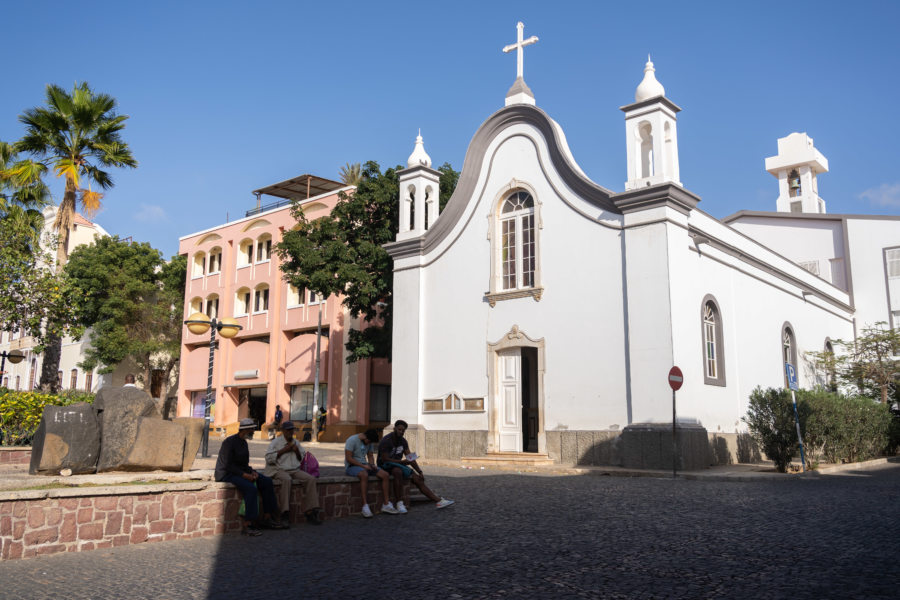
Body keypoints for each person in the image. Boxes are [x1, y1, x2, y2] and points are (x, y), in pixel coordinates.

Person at [215, 418, 286, 535]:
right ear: (246, 430)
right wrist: (245, 475)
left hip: (241, 472)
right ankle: (248, 524)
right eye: (252, 429)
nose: (253, 431)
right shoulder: (229, 442)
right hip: (227, 474)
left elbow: (244, 464)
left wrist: (252, 472)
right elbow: (228, 465)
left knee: (267, 482)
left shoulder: (243, 442)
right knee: (251, 489)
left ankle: (267, 517)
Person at [378, 420, 455, 512]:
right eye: (399, 429)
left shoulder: (403, 441)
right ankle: (399, 503)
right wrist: (402, 462)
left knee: (417, 478)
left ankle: (439, 501)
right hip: (385, 465)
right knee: (397, 471)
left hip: (398, 464)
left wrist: (420, 471)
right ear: (394, 428)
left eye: (403, 430)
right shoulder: (386, 441)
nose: (401, 432)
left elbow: (410, 458)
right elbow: (385, 459)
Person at [263, 421, 323, 526]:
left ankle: (310, 511)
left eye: (292, 430)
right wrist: (284, 450)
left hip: (294, 469)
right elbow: (268, 459)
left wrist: (296, 451)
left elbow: (301, 459)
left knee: (310, 479)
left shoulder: (296, 442)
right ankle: (284, 513)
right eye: (288, 430)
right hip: (278, 469)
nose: (290, 432)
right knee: (286, 479)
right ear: (283, 431)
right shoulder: (275, 443)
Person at [344, 428, 396, 517]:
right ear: (365, 436)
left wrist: (372, 465)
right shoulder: (352, 440)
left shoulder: (369, 441)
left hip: (365, 465)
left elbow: (370, 455)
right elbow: (349, 458)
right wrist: (363, 466)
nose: (369, 443)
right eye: (368, 441)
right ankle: (365, 506)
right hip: (352, 466)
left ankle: (386, 504)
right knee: (364, 474)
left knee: (385, 475)